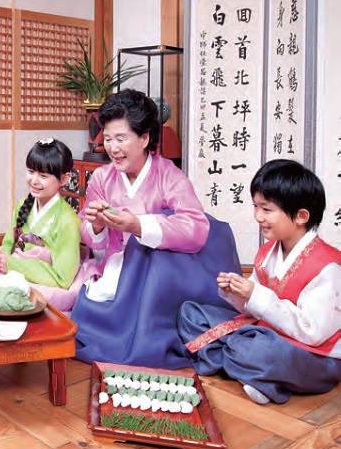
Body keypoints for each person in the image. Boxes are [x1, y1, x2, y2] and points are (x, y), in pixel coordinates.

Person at [70, 88, 241, 369]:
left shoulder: (169, 175)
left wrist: (140, 226)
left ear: (145, 138)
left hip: (157, 279)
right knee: (86, 313)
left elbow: (196, 227)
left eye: (121, 138)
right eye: (109, 138)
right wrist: (96, 224)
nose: (112, 147)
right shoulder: (102, 177)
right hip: (113, 267)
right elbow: (90, 237)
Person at [178, 159, 341, 405]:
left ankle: (236, 362)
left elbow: (312, 334)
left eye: (267, 209)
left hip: (313, 356)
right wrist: (237, 293)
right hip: (262, 332)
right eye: (256, 207)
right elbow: (252, 309)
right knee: (190, 313)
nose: (258, 216)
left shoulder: (327, 265)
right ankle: (251, 371)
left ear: (301, 216)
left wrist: (256, 296)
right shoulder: (267, 253)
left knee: (258, 351)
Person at [0, 138, 95, 313]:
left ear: (65, 178)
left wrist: (12, 264)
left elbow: (62, 279)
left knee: (41, 296)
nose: (34, 181)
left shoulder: (68, 220)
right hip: (18, 269)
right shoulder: (23, 205)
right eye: (31, 172)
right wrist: (0, 258)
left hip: (47, 281)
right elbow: (8, 244)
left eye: (43, 176)